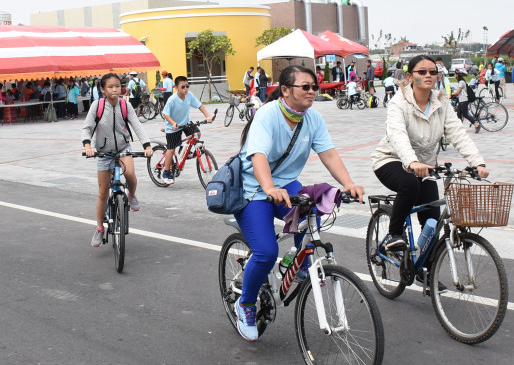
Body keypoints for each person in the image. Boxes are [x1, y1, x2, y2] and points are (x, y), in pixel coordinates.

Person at [231, 65, 366, 341]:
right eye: (306, 86)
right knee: (266, 252)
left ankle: (296, 260)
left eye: (315, 87)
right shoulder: (268, 115)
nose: (312, 91)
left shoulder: (312, 119)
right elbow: (257, 156)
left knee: (313, 212)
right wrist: (268, 187)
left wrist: (348, 183)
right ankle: (245, 303)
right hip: (253, 189)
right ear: (285, 90)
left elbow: (328, 154)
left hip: (285, 185)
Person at [371, 55, 488, 257]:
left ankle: (427, 273)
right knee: (410, 185)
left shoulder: (442, 103)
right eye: (422, 72)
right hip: (391, 159)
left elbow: (458, 133)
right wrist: (412, 161)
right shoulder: (399, 102)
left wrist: (477, 162)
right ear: (409, 76)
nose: (428, 75)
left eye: (433, 72)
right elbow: (397, 135)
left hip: (425, 165)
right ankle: (394, 234)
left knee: (432, 221)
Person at [81, 73, 153, 247]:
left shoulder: (124, 105)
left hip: (123, 148)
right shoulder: (97, 106)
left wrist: (147, 146)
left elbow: (137, 125)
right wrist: (87, 147)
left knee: (130, 175)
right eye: (111, 86)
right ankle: (99, 228)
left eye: (118, 86)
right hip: (103, 152)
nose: (115, 89)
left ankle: (132, 195)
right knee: (103, 193)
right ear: (103, 89)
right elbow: (88, 127)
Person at [160, 75, 214, 185]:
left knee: (197, 134)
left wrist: (208, 116)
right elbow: (165, 113)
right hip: (173, 126)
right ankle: (166, 172)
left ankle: (184, 150)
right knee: (171, 149)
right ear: (176, 87)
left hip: (186, 122)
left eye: (187, 86)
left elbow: (200, 105)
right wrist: (173, 123)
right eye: (183, 87)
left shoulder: (189, 95)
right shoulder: (172, 99)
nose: (186, 89)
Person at [450, 68, 481, 132]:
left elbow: (458, 91)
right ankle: (459, 128)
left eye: (455, 74)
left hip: (464, 100)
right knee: (459, 114)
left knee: (465, 114)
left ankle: (476, 125)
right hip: (461, 100)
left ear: (458, 75)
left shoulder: (461, 82)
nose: (455, 75)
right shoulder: (461, 81)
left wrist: (452, 94)